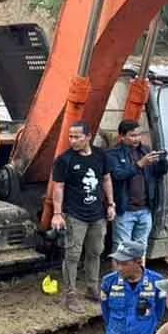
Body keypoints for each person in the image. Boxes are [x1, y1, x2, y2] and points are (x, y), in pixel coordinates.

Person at [51, 121, 116, 313]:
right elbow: (58, 187)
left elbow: (106, 179)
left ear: (88, 136)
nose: (73, 140)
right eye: (70, 136)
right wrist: (57, 213)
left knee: (95, 251)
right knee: (72, 255)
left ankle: (92, 288)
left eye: (77, 136)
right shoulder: (64, 160)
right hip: (75, 215)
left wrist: (111, 204)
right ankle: (71, 294)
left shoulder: (100, 155)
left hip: (97, 214)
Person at [107, 121, 168, 249]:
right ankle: (119, 270)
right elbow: (117, 175)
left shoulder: (146, 150)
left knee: (140, 249)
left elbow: (159, 173)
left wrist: (163, 161)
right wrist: (139, 164)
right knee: (121, 250)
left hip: (145, 210)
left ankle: (139, 270)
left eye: (139, 135)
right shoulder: (113, 154)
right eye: (132, 135)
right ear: (122, 136)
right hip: (125, 211)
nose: (137, 138)